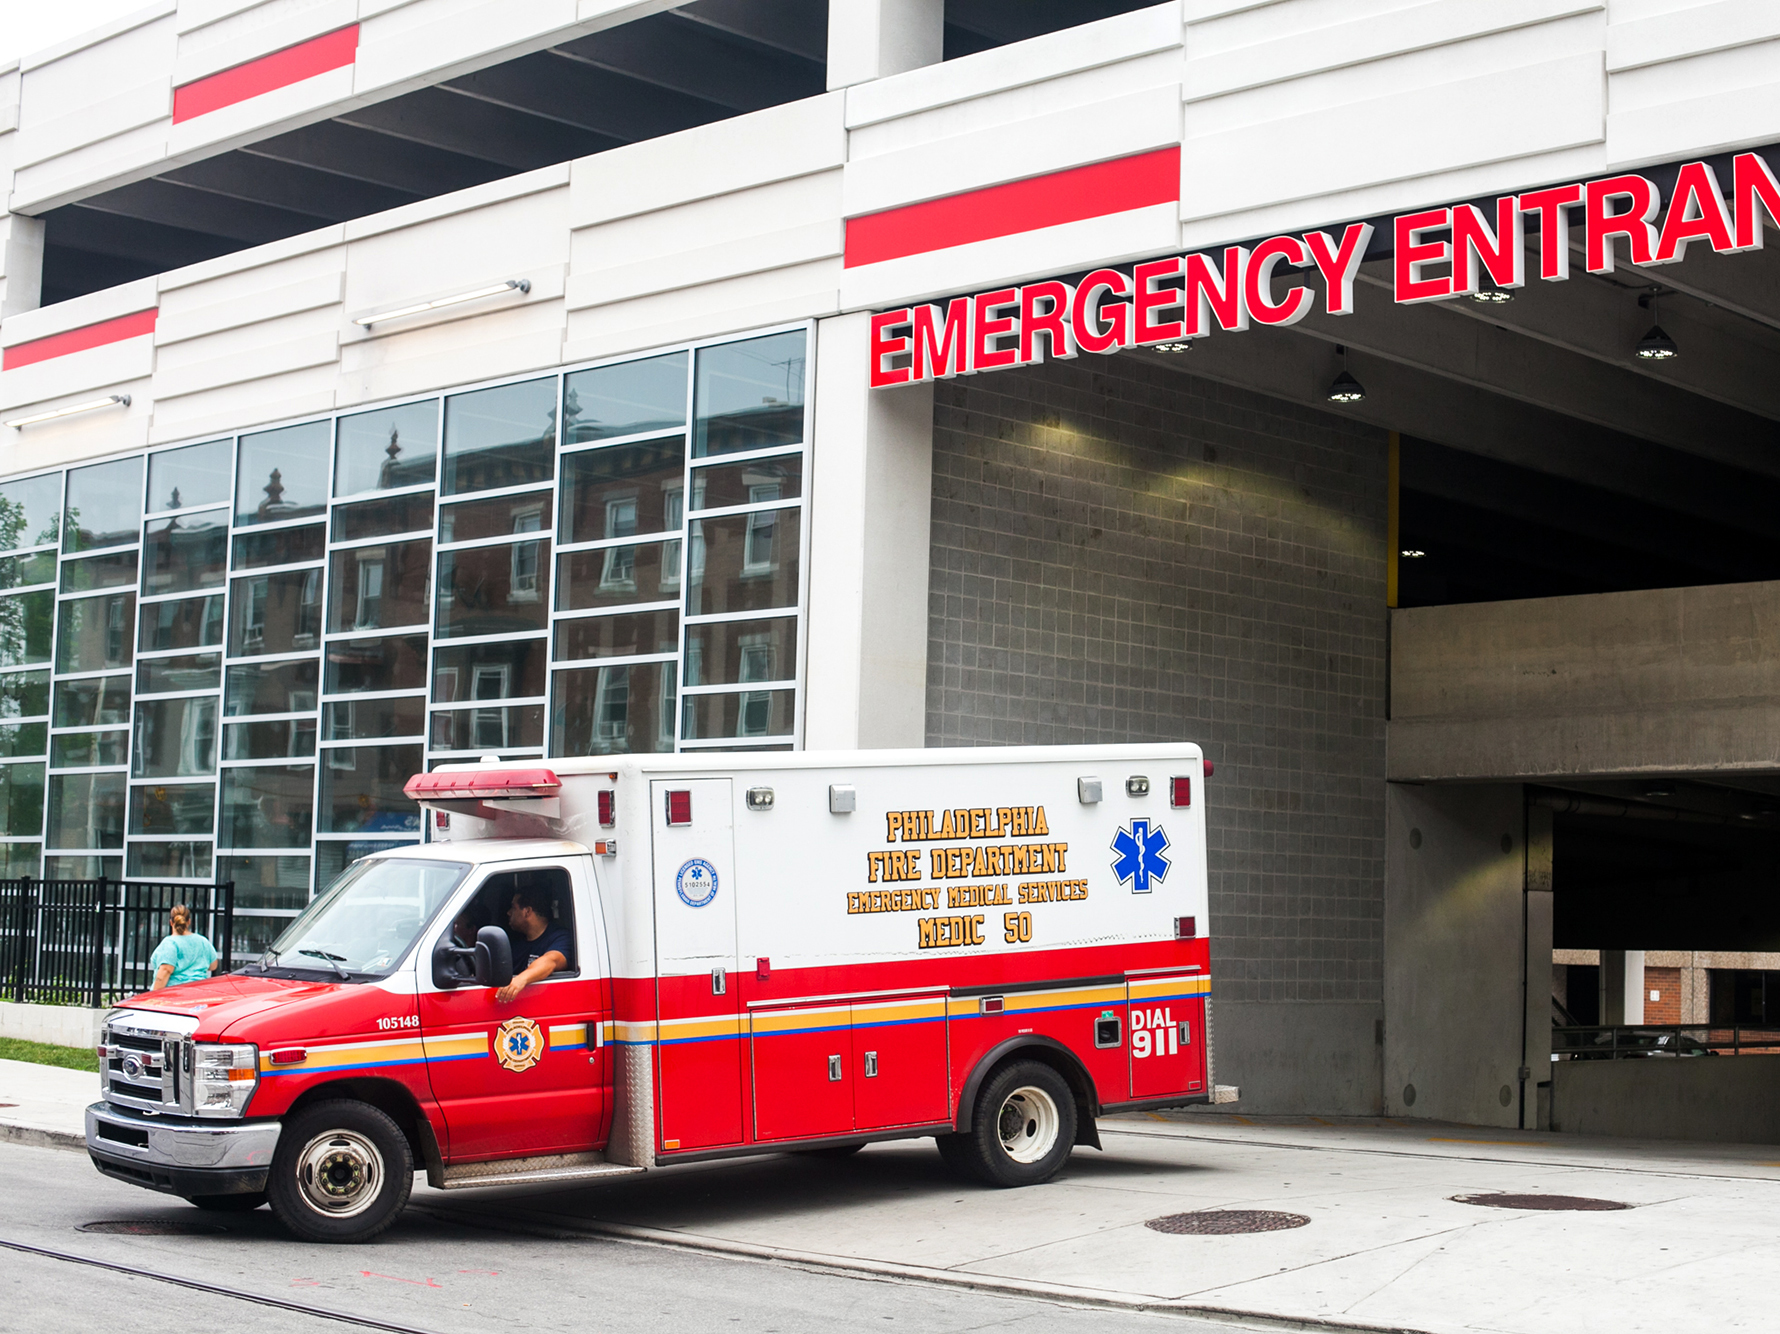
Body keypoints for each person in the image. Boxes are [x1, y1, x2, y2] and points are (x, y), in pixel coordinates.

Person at [495, 886, 571, 1003]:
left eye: (513, 907)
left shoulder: (560, 937)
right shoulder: (515, 941)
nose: (508, 912)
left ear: (527, 911)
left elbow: (551, 960)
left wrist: (520, 980)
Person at [148, 904, 219, 991]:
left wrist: (153, 997)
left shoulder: (170, 943)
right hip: (199, 993)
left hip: (173, 994)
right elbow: (213, 965)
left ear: (171, 922)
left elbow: (165, 971)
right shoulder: (202, 941)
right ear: (189, 921)